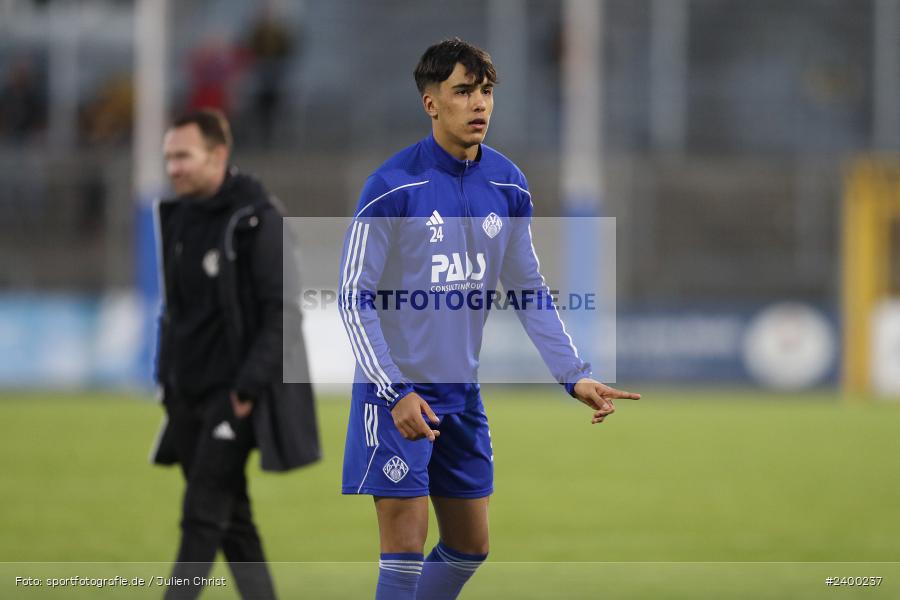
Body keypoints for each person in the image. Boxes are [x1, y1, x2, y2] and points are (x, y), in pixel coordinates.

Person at [339, 39, 640, 600]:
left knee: (470, 547)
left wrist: (572, 374)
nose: (478, 104)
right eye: (463, 92)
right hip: (398, 396)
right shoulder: (392, 187)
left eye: (485, 92)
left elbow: (528, 289)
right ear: (432, 103)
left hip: (462, 395)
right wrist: (394, 390)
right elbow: (353, 298)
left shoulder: (507, 183)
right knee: (403, 551)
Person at [150, 109, 320, 600]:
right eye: (168, 158)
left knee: (201, 516)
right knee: (234, 525)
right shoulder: (179, 217)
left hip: (233, 397)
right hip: (185, 397)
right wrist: (167, 380)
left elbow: (283, 313)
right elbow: (174, 310)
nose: (173, 168)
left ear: (218, 155)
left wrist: (245, 390)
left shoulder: (257, 219)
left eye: (183, 156)